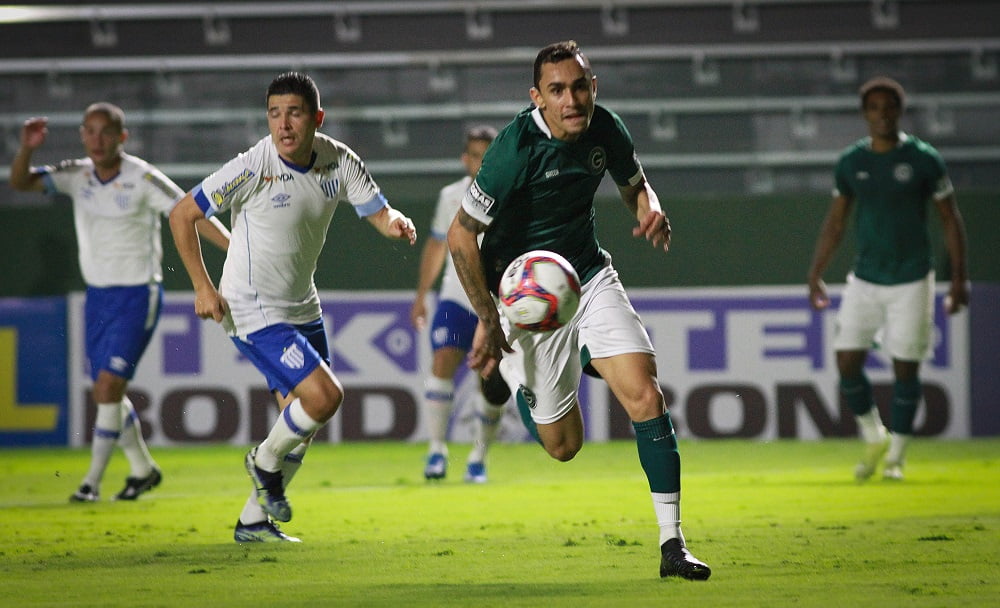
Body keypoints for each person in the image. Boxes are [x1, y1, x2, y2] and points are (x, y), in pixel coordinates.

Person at [446, 41, 711, 580]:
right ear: (537, 98)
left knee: (644, 393)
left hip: (587, 277)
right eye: (558, 90)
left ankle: (672, 544)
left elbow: (637, 186)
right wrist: (489, 317)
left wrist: (650, 208)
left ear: (595, 87)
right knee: (564, 447)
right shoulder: (513, 150)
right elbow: (460, 237)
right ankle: (519, 379)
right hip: (526, 300)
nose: (572, 99)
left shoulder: (606, 128)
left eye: (580, 86)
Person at [169, 72, 417, 543]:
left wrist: (397, 222)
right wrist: (202, 288)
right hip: (249, 307)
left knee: (302, 426)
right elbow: (183, 214)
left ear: (316, 118)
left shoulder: (339, 160)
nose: (283, 125)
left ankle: (253, 522)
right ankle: (262, 462)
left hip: (302, 306)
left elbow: (379, 214)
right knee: (324, 397)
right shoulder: (252, 166)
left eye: (294, 113)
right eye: (274, 114)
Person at [8, 102, 231, 503]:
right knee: (105, 392)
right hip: (97, 299)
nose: (97, 139)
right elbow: (21, 182)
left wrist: (234, 248)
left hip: (136, 296)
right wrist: (27, 148)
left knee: (109, 386)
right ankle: (143, 470)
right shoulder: (76, 175)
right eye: (89, 131)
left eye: (105, 132)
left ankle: (90, 483)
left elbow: (191, 212)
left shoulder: (142, 178)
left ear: (122, 137)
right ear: (81, 135)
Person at [807, 76, 969, 482]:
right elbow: (836, 220)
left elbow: (950, 219)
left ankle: (895, 457)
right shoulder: (852, 162)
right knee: (846, 361)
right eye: (874, 108)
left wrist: (958, 279)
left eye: (889, 107)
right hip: (865, 277)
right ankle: (873, 435)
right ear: (865, 114)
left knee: (906, 369)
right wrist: (816, 272)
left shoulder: (923, 159)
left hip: (913, 278)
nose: (882, 115)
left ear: (899, 110)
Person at [410, 125, 512, 483]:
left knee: (491, 380)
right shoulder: (450, 196)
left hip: (498, 302)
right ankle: (436, 450)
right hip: (456, 296)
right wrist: (422, 295)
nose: (480, 162)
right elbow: (437, 246)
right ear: (464, 159)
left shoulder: (510, 195)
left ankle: (478, 458)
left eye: (487, 156)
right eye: (475, 155)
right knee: (442, 361)